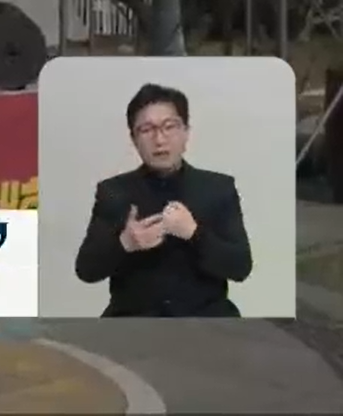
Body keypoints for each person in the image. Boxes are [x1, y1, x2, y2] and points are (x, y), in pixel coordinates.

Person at [73, 82, 253, 317]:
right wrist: (125, 243)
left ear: (186, 132)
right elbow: (86, 270)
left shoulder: (218, 188)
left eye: (170, 126)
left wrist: (194, 233)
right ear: (134, 139)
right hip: (135, 322)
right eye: (146, 130)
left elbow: (240, 267)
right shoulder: (114, 192)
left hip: (205, 320)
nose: (159, 139)